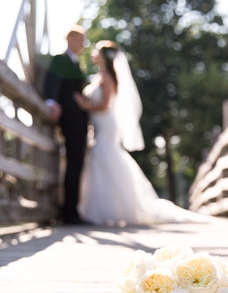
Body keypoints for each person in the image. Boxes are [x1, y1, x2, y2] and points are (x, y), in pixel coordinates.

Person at [74, 40, 211, 225]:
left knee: (105, 158)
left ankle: (109, 211)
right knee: (104, 162)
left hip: (105, 125)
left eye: (97, 51)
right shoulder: (99, 76)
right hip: (100, 127)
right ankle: (103, 210)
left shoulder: (107, 78)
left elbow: (105, 105)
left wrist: (85, 106)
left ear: (105, 57)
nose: (93, 53)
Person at [43, 25, 90, 225]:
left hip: (79, 122)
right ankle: (69, 213)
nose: (84, 45)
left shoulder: (76, 62)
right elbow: (53, 82)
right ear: (71, 39)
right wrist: (51, 102)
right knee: (73, 164)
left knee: (76, 164)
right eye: (81, 40)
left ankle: (72, 209)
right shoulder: (60, 60)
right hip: (71, 121)